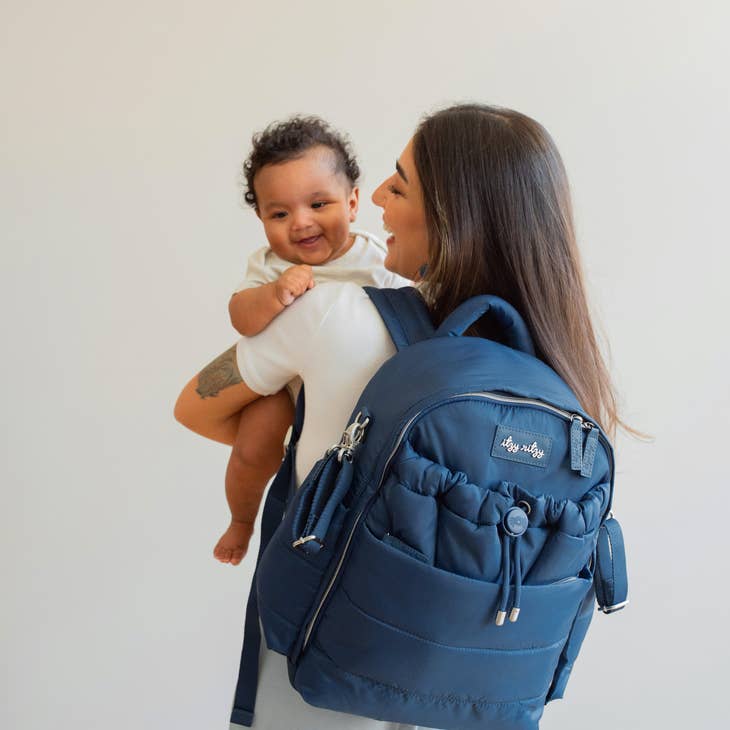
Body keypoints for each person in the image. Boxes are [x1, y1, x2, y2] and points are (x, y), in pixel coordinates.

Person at [174, 103, 623, 729]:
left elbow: (193, 406)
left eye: (400, 183)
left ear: (451, 213)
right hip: (471, 684)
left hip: (333, 660)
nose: (379, 193)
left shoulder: (330, 311)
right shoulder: (551, 367)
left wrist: (284, 426)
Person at [178, 115, 408, 568]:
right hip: (284, 389)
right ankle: (242, 520)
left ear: (353, 201)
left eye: (319, 204)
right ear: (261, 218)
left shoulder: (378, 259)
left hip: (353, 398)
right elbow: (240, 317)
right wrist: (274, 294)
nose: (300, 223)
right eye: (279, 214)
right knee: (252, 445)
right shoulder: (268, 265)